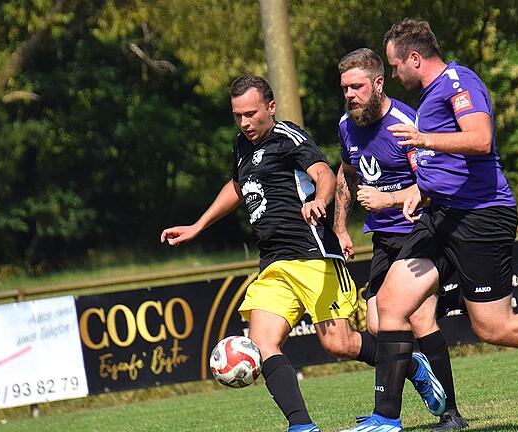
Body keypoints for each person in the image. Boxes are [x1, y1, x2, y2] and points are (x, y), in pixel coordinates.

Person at [341, 19, 518, 432]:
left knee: (495, 327)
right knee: (390, 305)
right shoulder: (428, 97)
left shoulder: (460, 82)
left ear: (415, 58)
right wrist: (421, 190)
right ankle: (386, 419)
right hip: (441, 215)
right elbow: (449, 166)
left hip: (482, 217)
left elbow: (480, 140)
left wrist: (424, 140)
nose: (394, 74)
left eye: (395, 64)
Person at [160, 75, 440, 432]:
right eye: (237, 116)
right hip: (273, 263)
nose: (244, 123)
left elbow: (322, 172)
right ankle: (302, 426)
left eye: (251, 113)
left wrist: (319, 202)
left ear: (270, 108)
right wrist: (198, 225)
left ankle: (410, 362)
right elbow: (237, 185)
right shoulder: (241, 146)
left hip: (313, 254)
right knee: (262, 343)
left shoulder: (286, 136)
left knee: (338, 344)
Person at [333, 48, 466, 431]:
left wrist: (388, 198)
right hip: (383, 237)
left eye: (356, 86)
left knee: (420, 317)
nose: (350, 94)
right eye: (344, 88)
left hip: (420, 233)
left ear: (378, 83)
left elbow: (431, 182)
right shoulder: (347, 126)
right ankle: (416, 370)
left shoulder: (406, 123)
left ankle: (450, 414)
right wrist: (341, 226)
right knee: (377, 324)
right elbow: (346, 173)